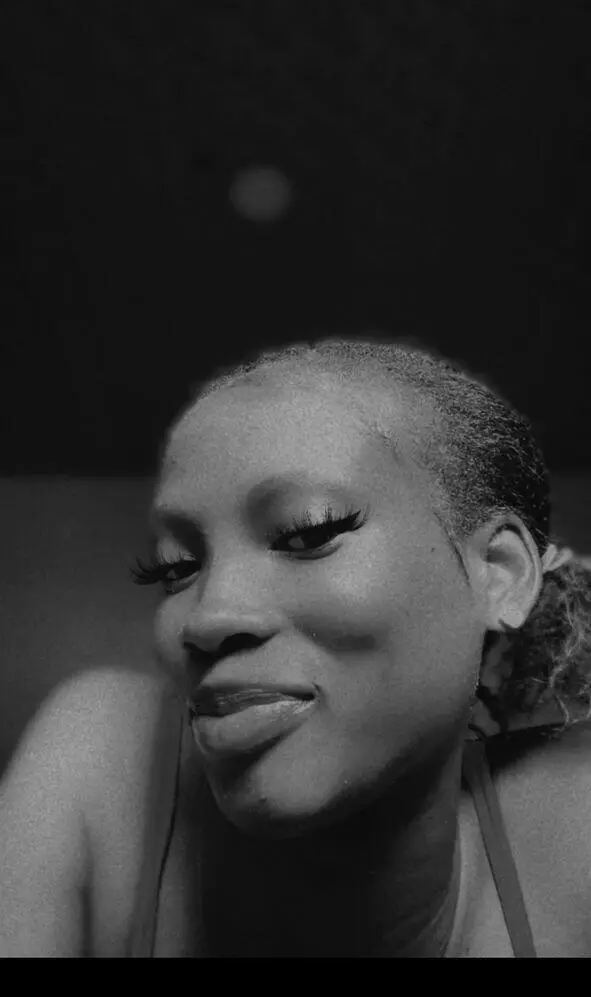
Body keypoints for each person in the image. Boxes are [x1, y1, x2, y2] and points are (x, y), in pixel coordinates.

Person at [2, 332, 591, 957]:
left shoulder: (575, 833)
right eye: (176, 567)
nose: (207, 617)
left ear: (498, 575)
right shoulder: (101, 755)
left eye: (307, 534)